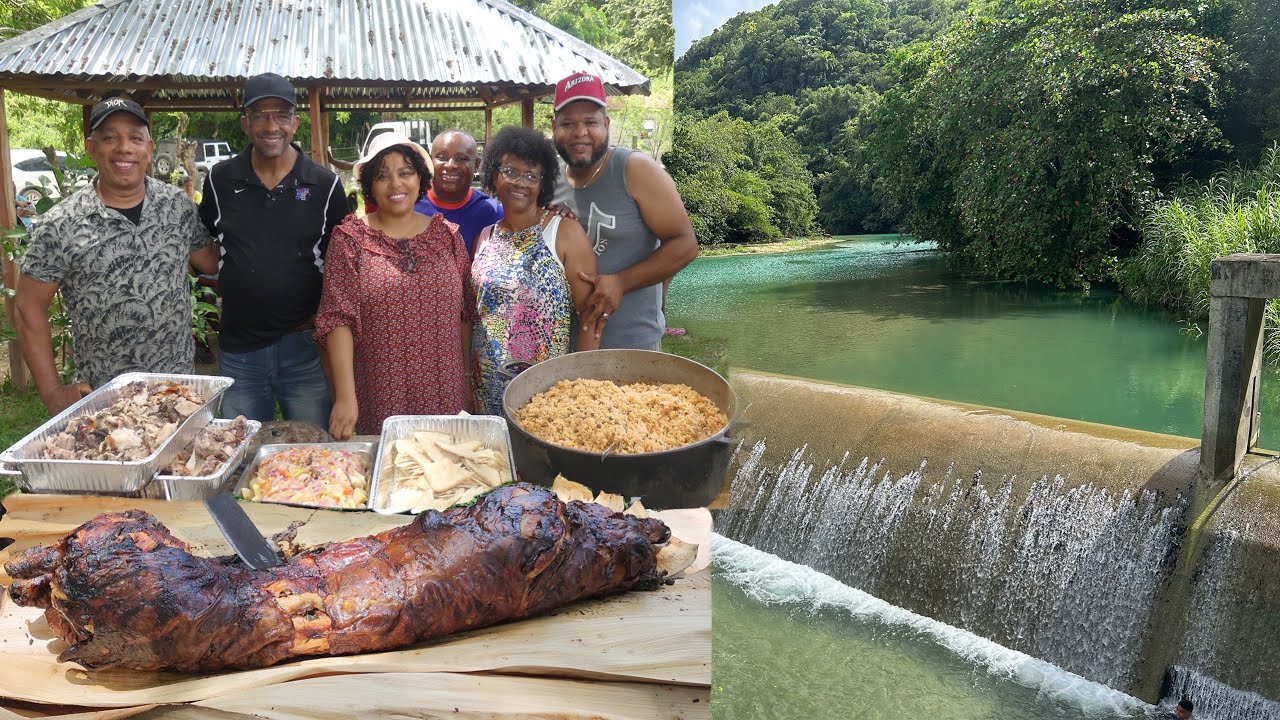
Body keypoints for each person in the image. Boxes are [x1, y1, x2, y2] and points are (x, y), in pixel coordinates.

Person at [15, 97, 218, 414]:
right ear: (91, 147)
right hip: (104, 401)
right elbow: (28, 309)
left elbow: (212, 262)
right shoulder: (60, 224)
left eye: (135, 138)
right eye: (110, 137)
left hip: (178, 393)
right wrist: (53, 392)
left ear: (149, 149)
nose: (124, 148)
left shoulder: (178, 207)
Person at [200, 73, 348, 426]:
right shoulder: (220, 180)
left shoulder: (324, 185)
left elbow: (341, 262)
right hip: (239, 348)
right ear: (245, 123)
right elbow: (205, 241)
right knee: (238, 450)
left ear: (295, 123)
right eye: (260, 114)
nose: (271, 125)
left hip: (304, 347)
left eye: (281, 115)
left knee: (316, 454)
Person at [314, 133, 474, 439]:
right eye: (382, 176)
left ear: (420, 179)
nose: (396, 184)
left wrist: (466, 380)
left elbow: (464, 315)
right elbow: (337, 321)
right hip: (378, 392)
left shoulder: (448, 237)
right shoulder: (349, 240)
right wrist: (346, 397)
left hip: (444, 389)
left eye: (405, 173)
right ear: (370, 186)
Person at [550, 72, 699, 351]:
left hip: (632, 346)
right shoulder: (548, 181)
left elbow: (686, 245)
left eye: (590, 122)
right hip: (561, 347)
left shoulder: (635, 170)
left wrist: (621, 282)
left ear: (606, 124)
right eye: (568, 123)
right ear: (553, 127)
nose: (580, 132)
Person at [471, 126, 600, 415]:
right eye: (511, 171)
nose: (521, 183)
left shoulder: (563, 231)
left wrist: (579, 389)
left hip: (547, 391)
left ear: (543, 184)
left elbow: (590, 316)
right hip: (486, 386)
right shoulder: (484, 236)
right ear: (493, 174)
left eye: (531, 176)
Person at [413, 129, 502, 254]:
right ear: (430, 161)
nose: (450, 165)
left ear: (476, 164)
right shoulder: (412, 204)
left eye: (461, 159)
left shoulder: (491, 212)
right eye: (442, 157)